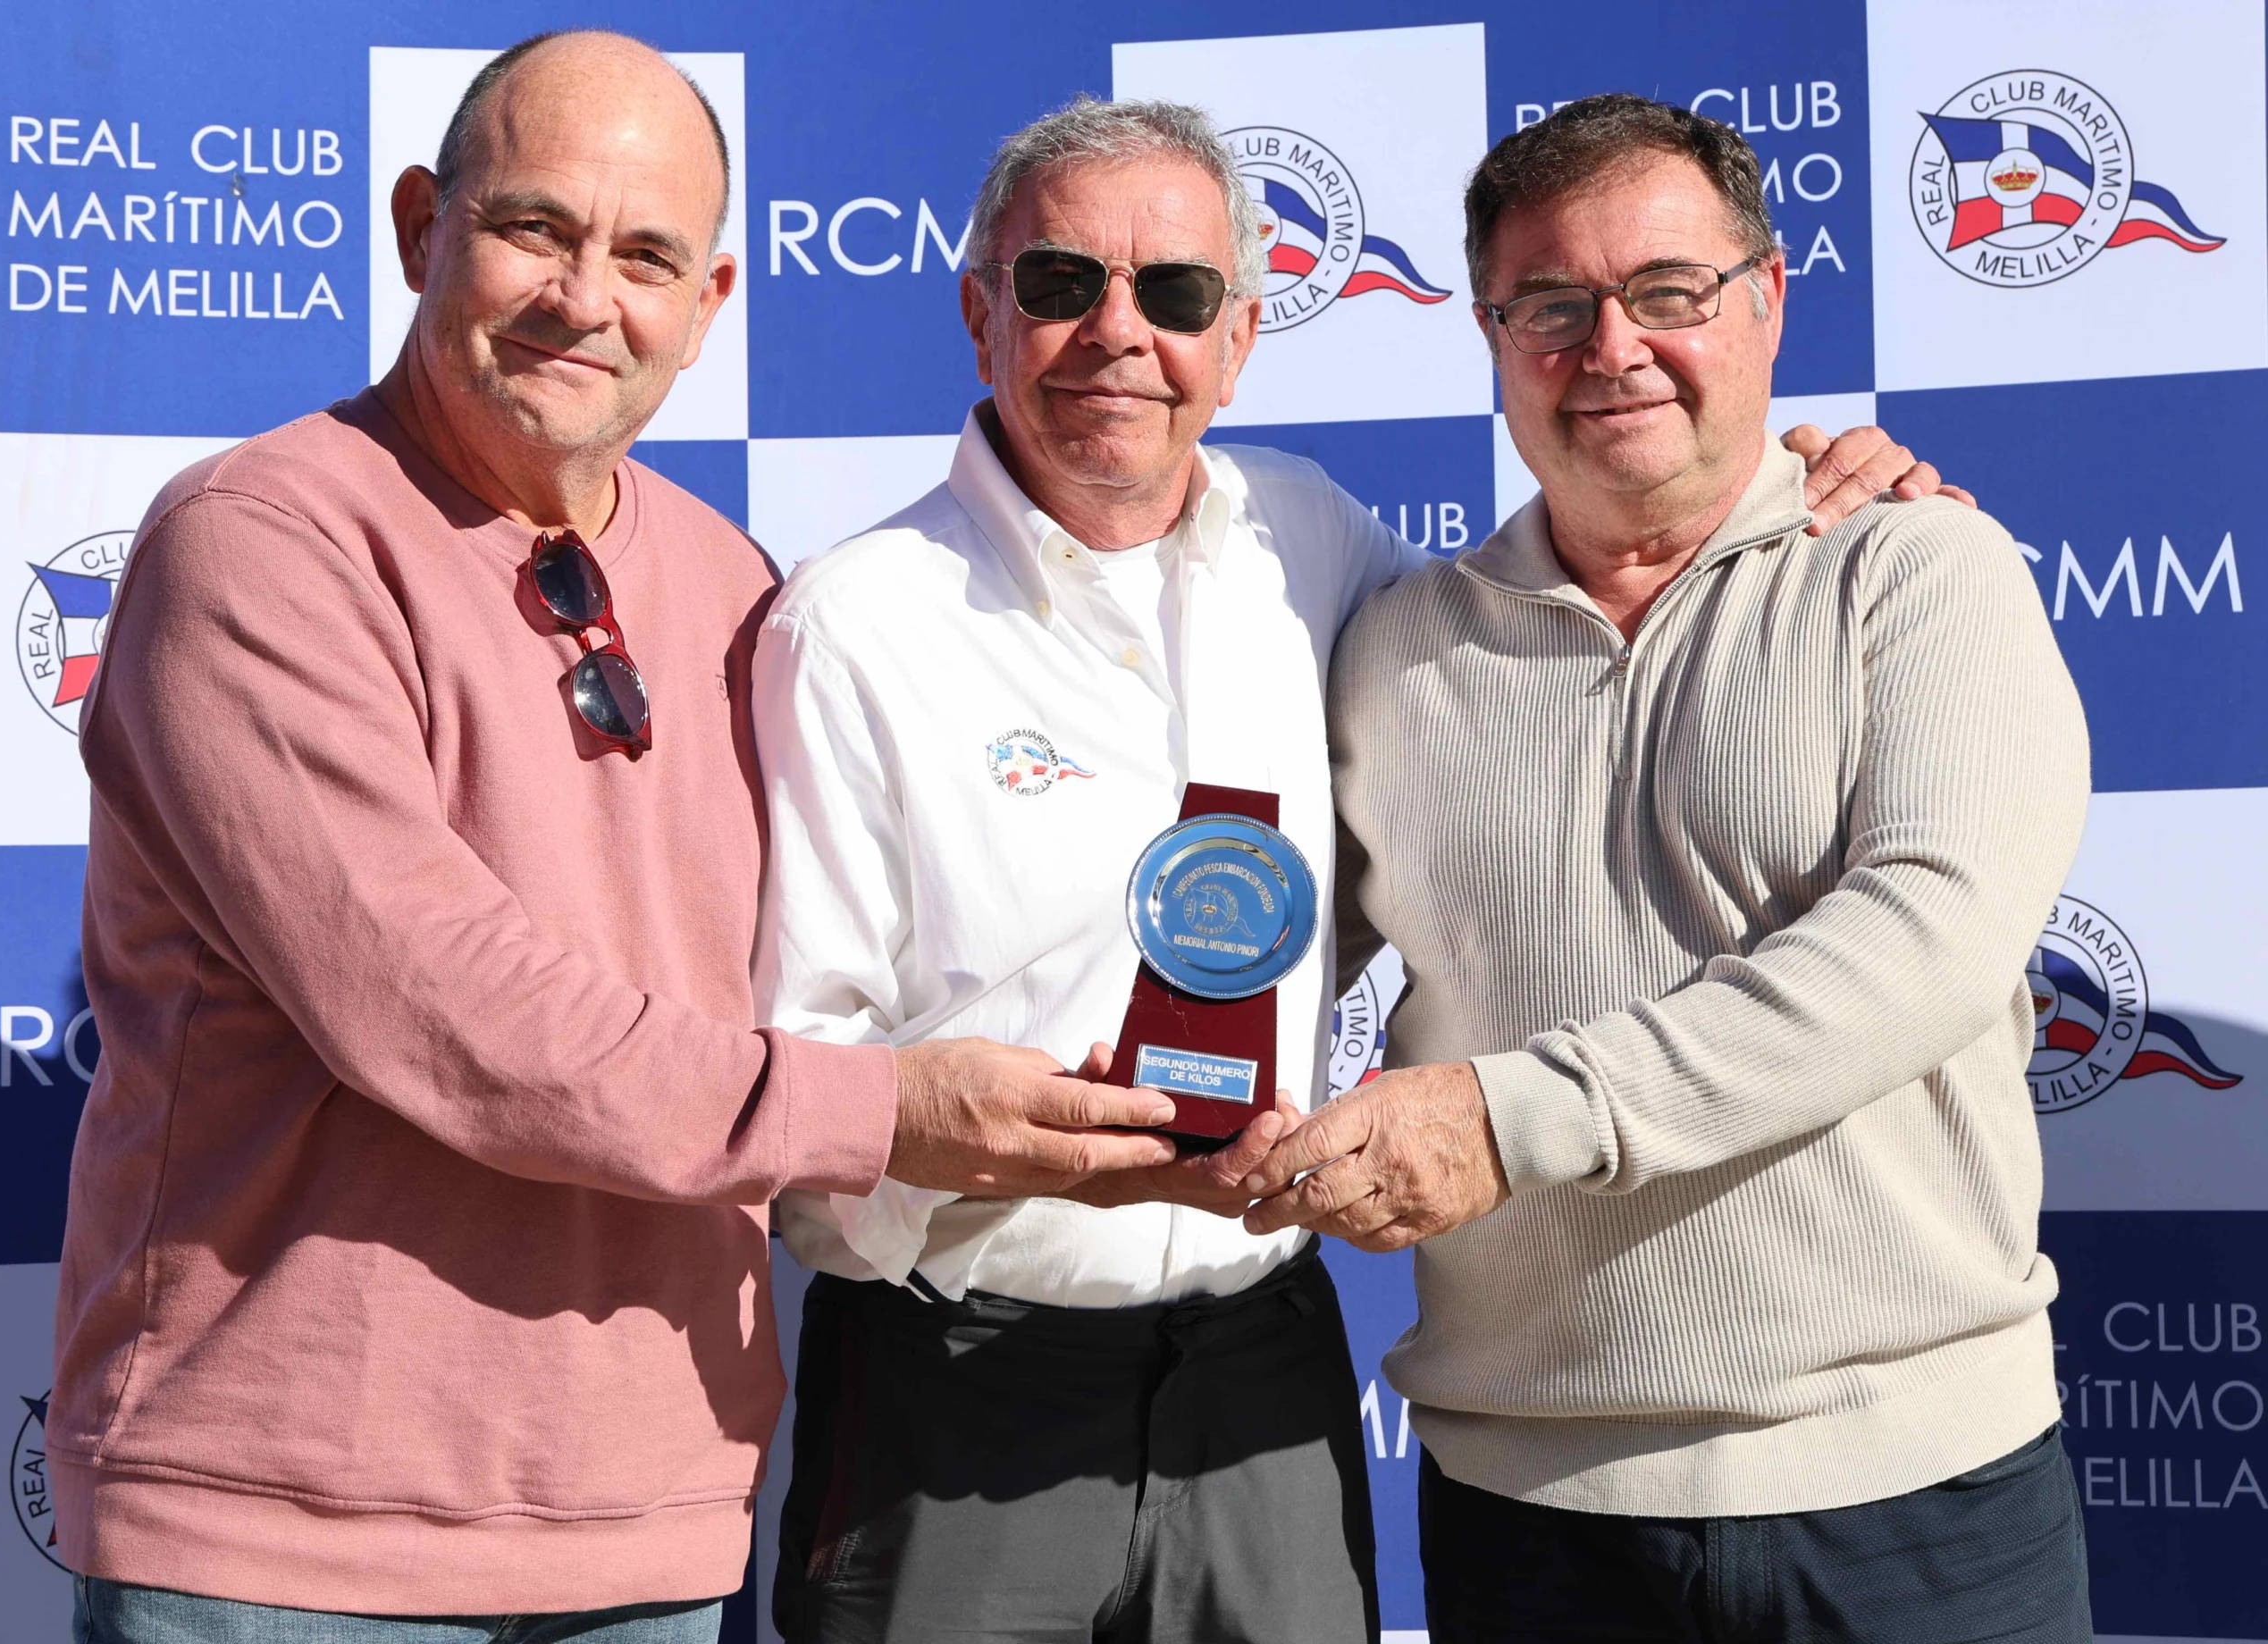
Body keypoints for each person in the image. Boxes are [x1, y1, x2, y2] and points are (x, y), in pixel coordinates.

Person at [751, 96, 1960, 1644]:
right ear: (981, 311)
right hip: (961, 1379)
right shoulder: (851, 622)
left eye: (1175, 291)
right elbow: (801, 1079)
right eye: (1059, 283)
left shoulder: (1309, 539)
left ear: (1241, 336)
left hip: (1263, 1370)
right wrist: (971, 1148)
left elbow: (1542, 643)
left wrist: (1817, 493)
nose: (1118, 332)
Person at [52, 34, 1178, 1644]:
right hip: (287, 1539)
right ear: (420, 227)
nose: (586, 299)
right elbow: (447, 1011)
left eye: (647, 257)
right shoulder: (261, 543)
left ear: (709, 304)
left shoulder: (736, 583)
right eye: (535, 229)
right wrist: (886, 1112)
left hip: (652, 1526)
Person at [1242, 94, 2093, 1641]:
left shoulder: (1920, 570)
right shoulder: (1394, 647)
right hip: (1529, 1516)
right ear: (1494, 337)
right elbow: (1258, 958)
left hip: (1918, 1499)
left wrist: (1515, 1119)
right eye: (1552, 306)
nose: (1613, 347)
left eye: (1668, 291)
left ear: (1767, 301)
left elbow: (1932, 941)